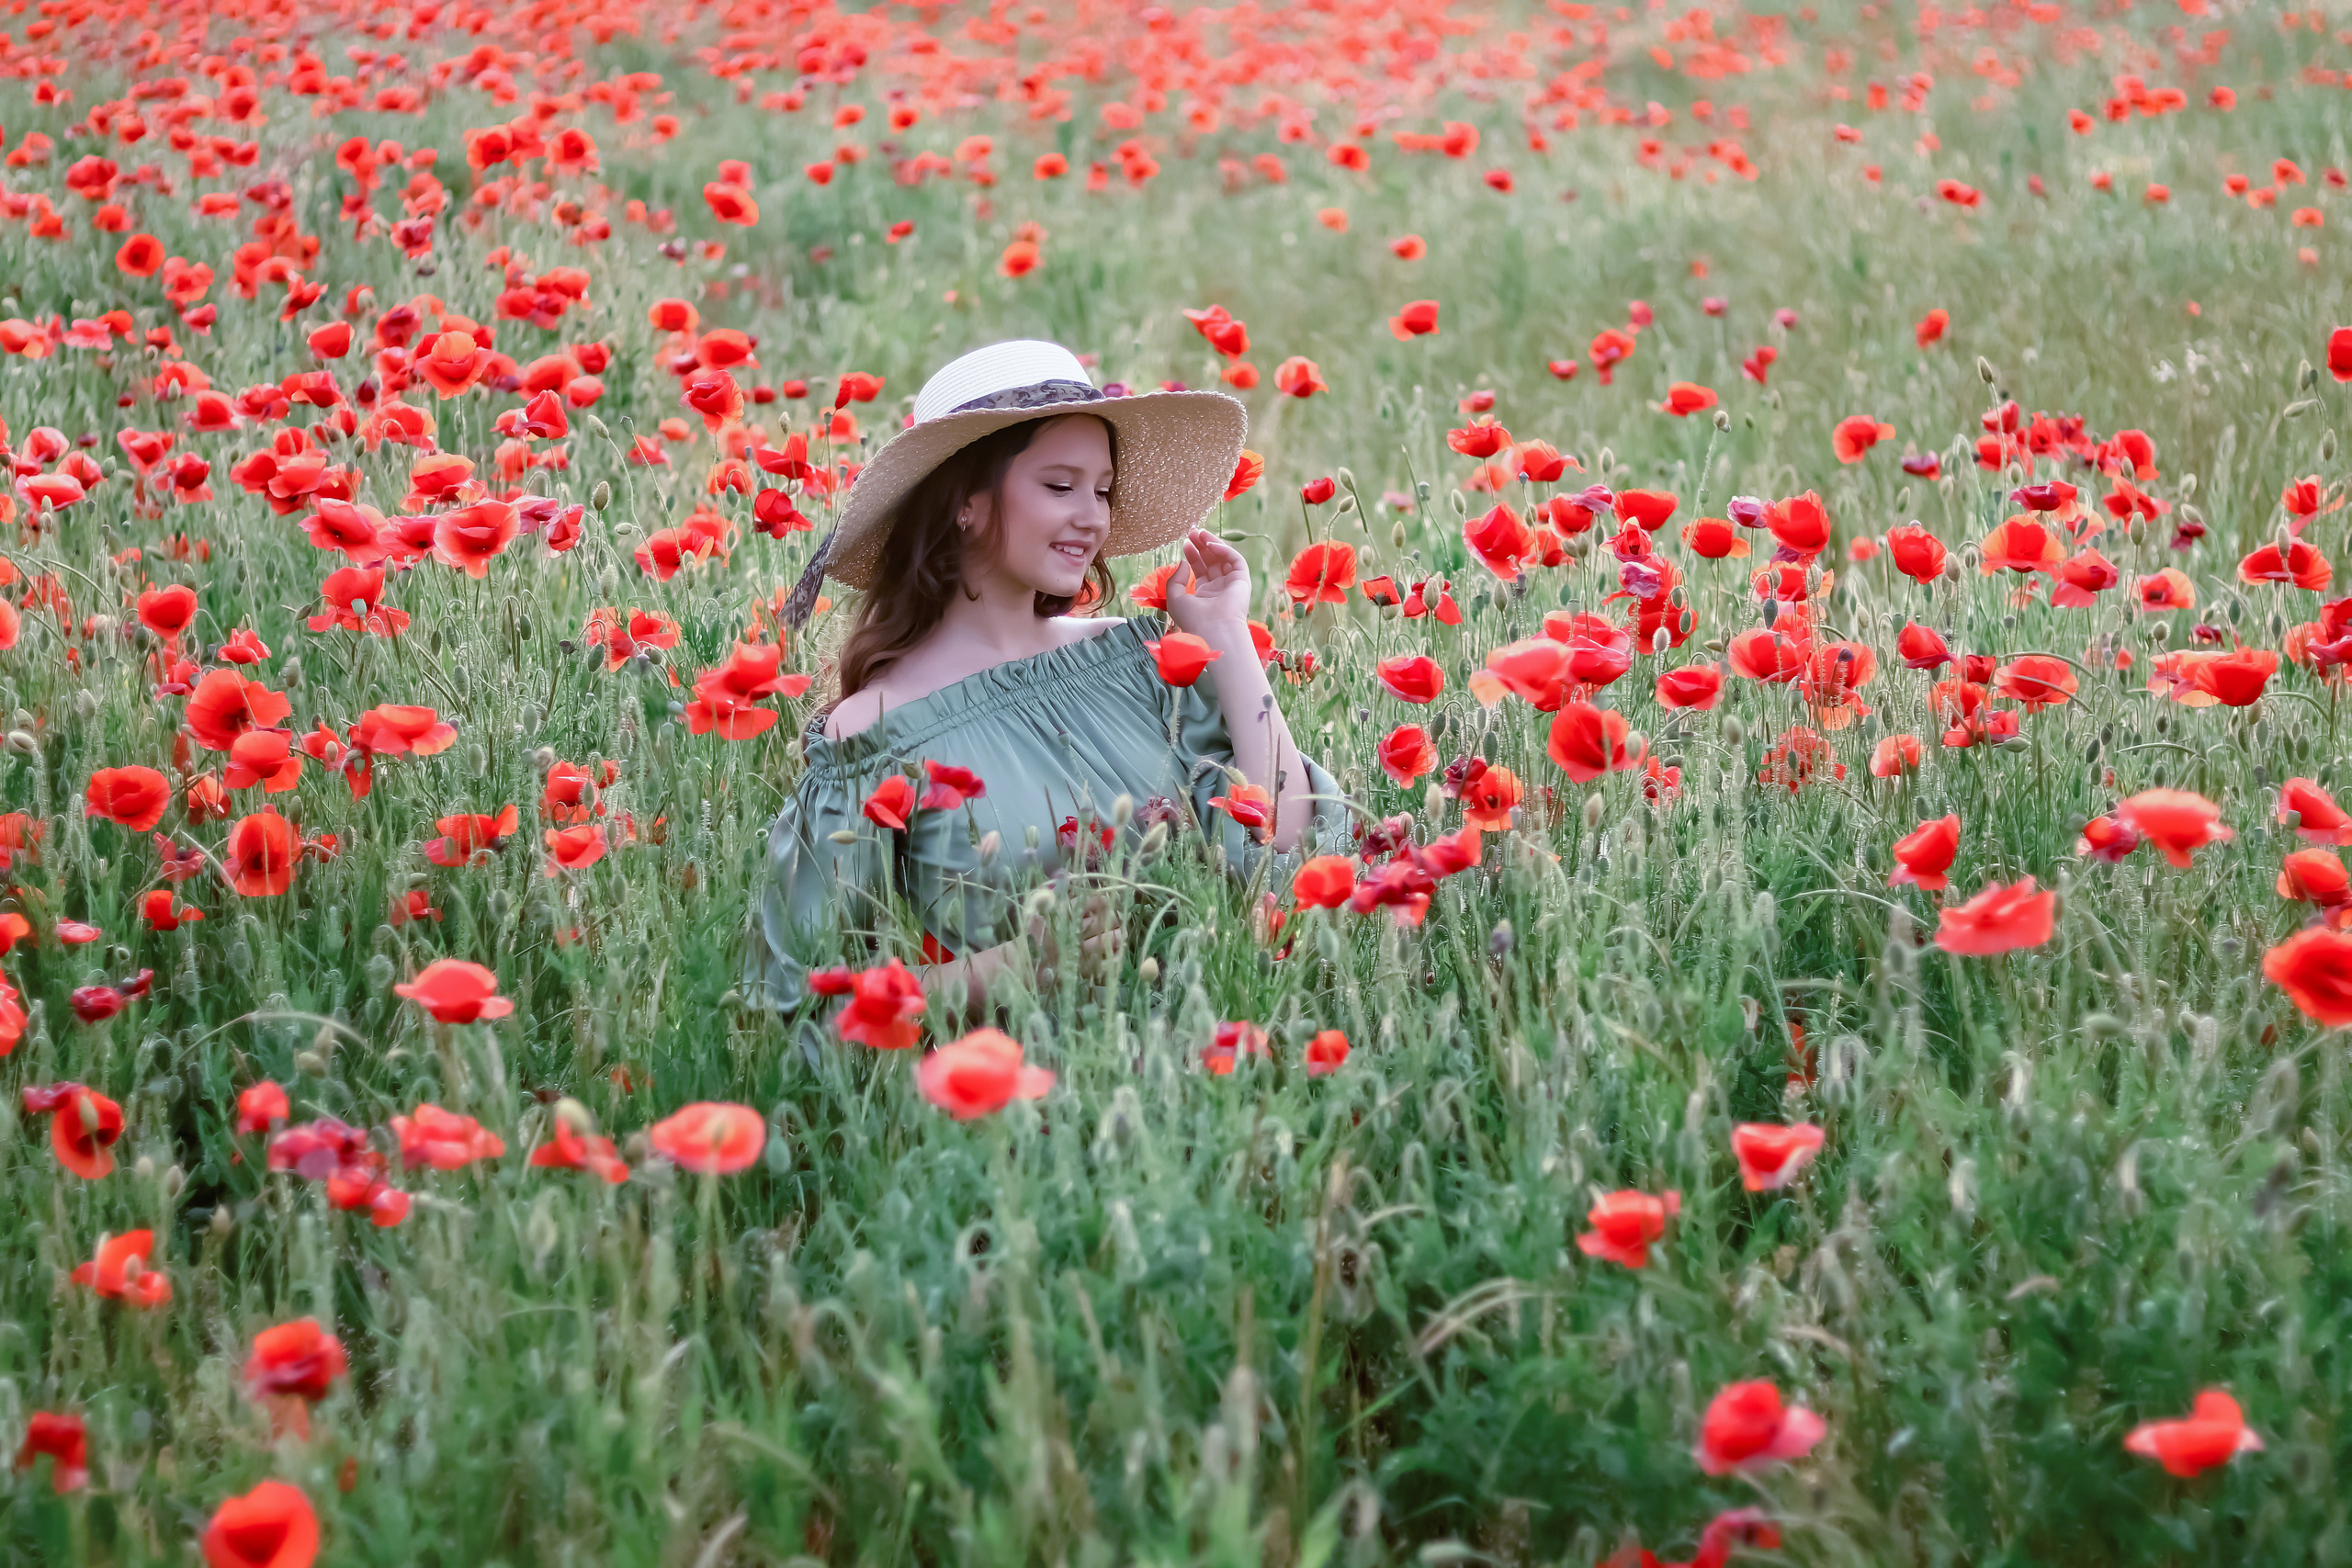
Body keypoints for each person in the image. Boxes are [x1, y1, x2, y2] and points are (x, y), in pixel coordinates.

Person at [741, 337, 1351, 1022]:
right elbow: (810, 1003)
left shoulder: (1137, 660)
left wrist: (1226, 635)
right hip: (1034, 1107)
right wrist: (1016, 968)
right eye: (1060, 486)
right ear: (962, 503)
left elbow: (1291, 839)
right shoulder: (874, 735)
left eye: (1103, 490)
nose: (1092, 517)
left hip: (1230, 1062)